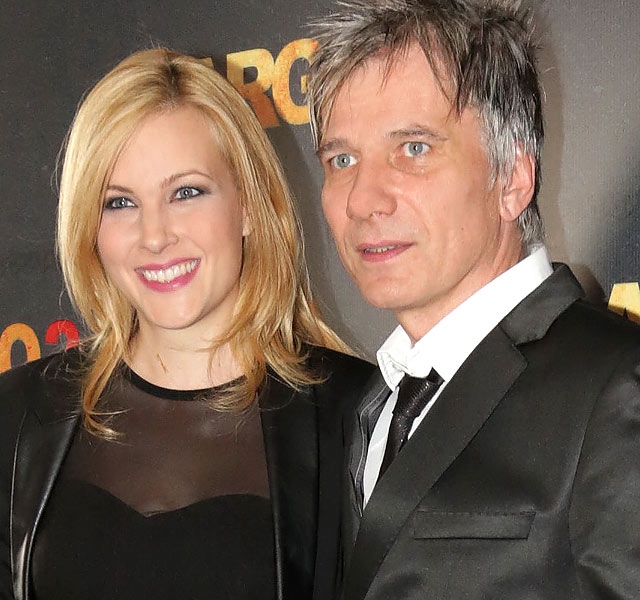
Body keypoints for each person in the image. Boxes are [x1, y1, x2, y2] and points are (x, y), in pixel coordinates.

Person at [0, 48, 374, 600]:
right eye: (119, 203)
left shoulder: (361, 417)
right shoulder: (16, 416)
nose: (155, 236)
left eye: (186, 193)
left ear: (249, 206)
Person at [306, 0, 640, 598]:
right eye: (342, 159)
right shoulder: (367, 405)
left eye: (413, 148)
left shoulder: (620, 387)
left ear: (512, 177)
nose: (362, 199)